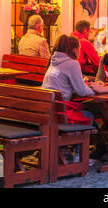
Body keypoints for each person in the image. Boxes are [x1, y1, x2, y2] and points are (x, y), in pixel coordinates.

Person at [42, 35, 95, 163]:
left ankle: (64, 150)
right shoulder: (72, 63)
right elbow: (81, 91)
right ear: (74, 49)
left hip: (47, 110)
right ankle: (79, 156)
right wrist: (95, 89)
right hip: (59, 112)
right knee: (89, 115)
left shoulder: (54, 59)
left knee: (80, 113)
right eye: (79, 48)